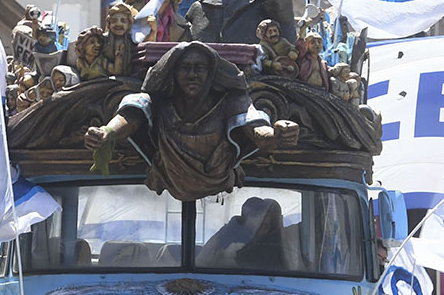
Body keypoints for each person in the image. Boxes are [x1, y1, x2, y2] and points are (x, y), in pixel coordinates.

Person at [84, 42, 297, 201]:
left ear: (211, 73)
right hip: (167, 175)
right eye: (185, 68)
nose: (192, 74)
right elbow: (131, 115)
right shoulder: (159, 102)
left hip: (217, 175)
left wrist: (277, 135)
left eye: (199, 68)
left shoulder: (231, 101)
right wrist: (106, 133)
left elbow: (255, 127)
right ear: (173, 73)